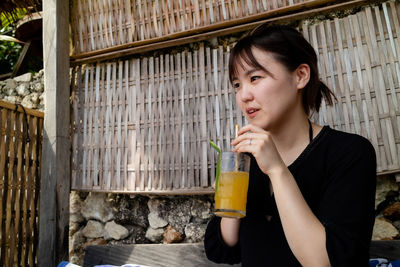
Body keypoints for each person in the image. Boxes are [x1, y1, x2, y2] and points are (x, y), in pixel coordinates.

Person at [204, 23, 376, 266]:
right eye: (237, 84)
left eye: (255, 78)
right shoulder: (246, 162)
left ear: (300, 76)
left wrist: (276, 170)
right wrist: (230, 198)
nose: (243, 96)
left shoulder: (350, 153)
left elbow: (325, 261)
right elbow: (222, 250)